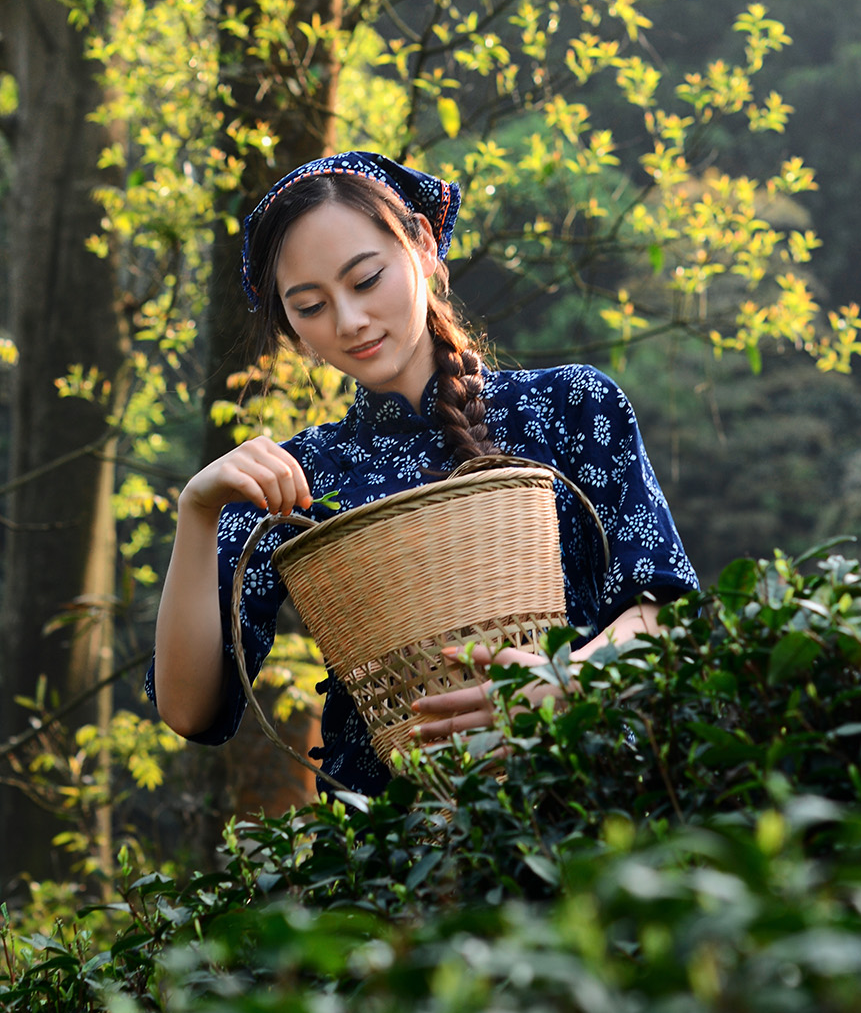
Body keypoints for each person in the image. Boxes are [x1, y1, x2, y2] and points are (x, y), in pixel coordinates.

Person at [148, 152, 698, 795]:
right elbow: (190, 711)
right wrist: (198, 510)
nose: (349, 322)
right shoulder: (300, 477)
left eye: (366, 280)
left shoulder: (570, 406)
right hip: (399, 854)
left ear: (426, 246)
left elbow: (664, 608)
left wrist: (567, 678)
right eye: (310, 305)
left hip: (596, 801)